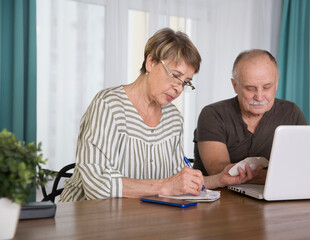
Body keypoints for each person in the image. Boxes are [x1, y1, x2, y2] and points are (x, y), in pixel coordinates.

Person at [60, 28, 245, 202]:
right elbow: (96, 186)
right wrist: (165, 186)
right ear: (150, 62)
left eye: (186, 82)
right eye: (175, 75)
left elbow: (178, 181)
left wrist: (219, 179)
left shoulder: (173, 117)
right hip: (87, 218)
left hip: (139, 217)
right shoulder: (108, 105)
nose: (178, 88)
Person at [193, 49, 307, 184]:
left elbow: (305, 166)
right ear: (235, 86)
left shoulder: (291, 113)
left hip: (273, 198)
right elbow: (221, 172)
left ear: (276, 84)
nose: (259, 97)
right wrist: (279, 175)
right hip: (220, 201)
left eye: (267, 87)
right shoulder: (213, 115)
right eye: (250, 88)